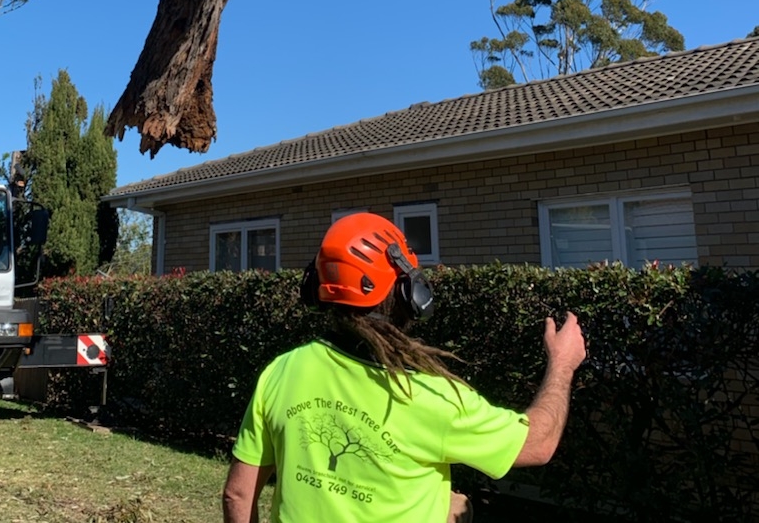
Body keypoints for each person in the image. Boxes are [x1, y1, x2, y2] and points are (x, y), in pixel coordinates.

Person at [222, 212, 586, 523]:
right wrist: (563, 363)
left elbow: (238, 496)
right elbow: (538, 444)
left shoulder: (283, 370)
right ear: (408, 294)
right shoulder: (430, 396)